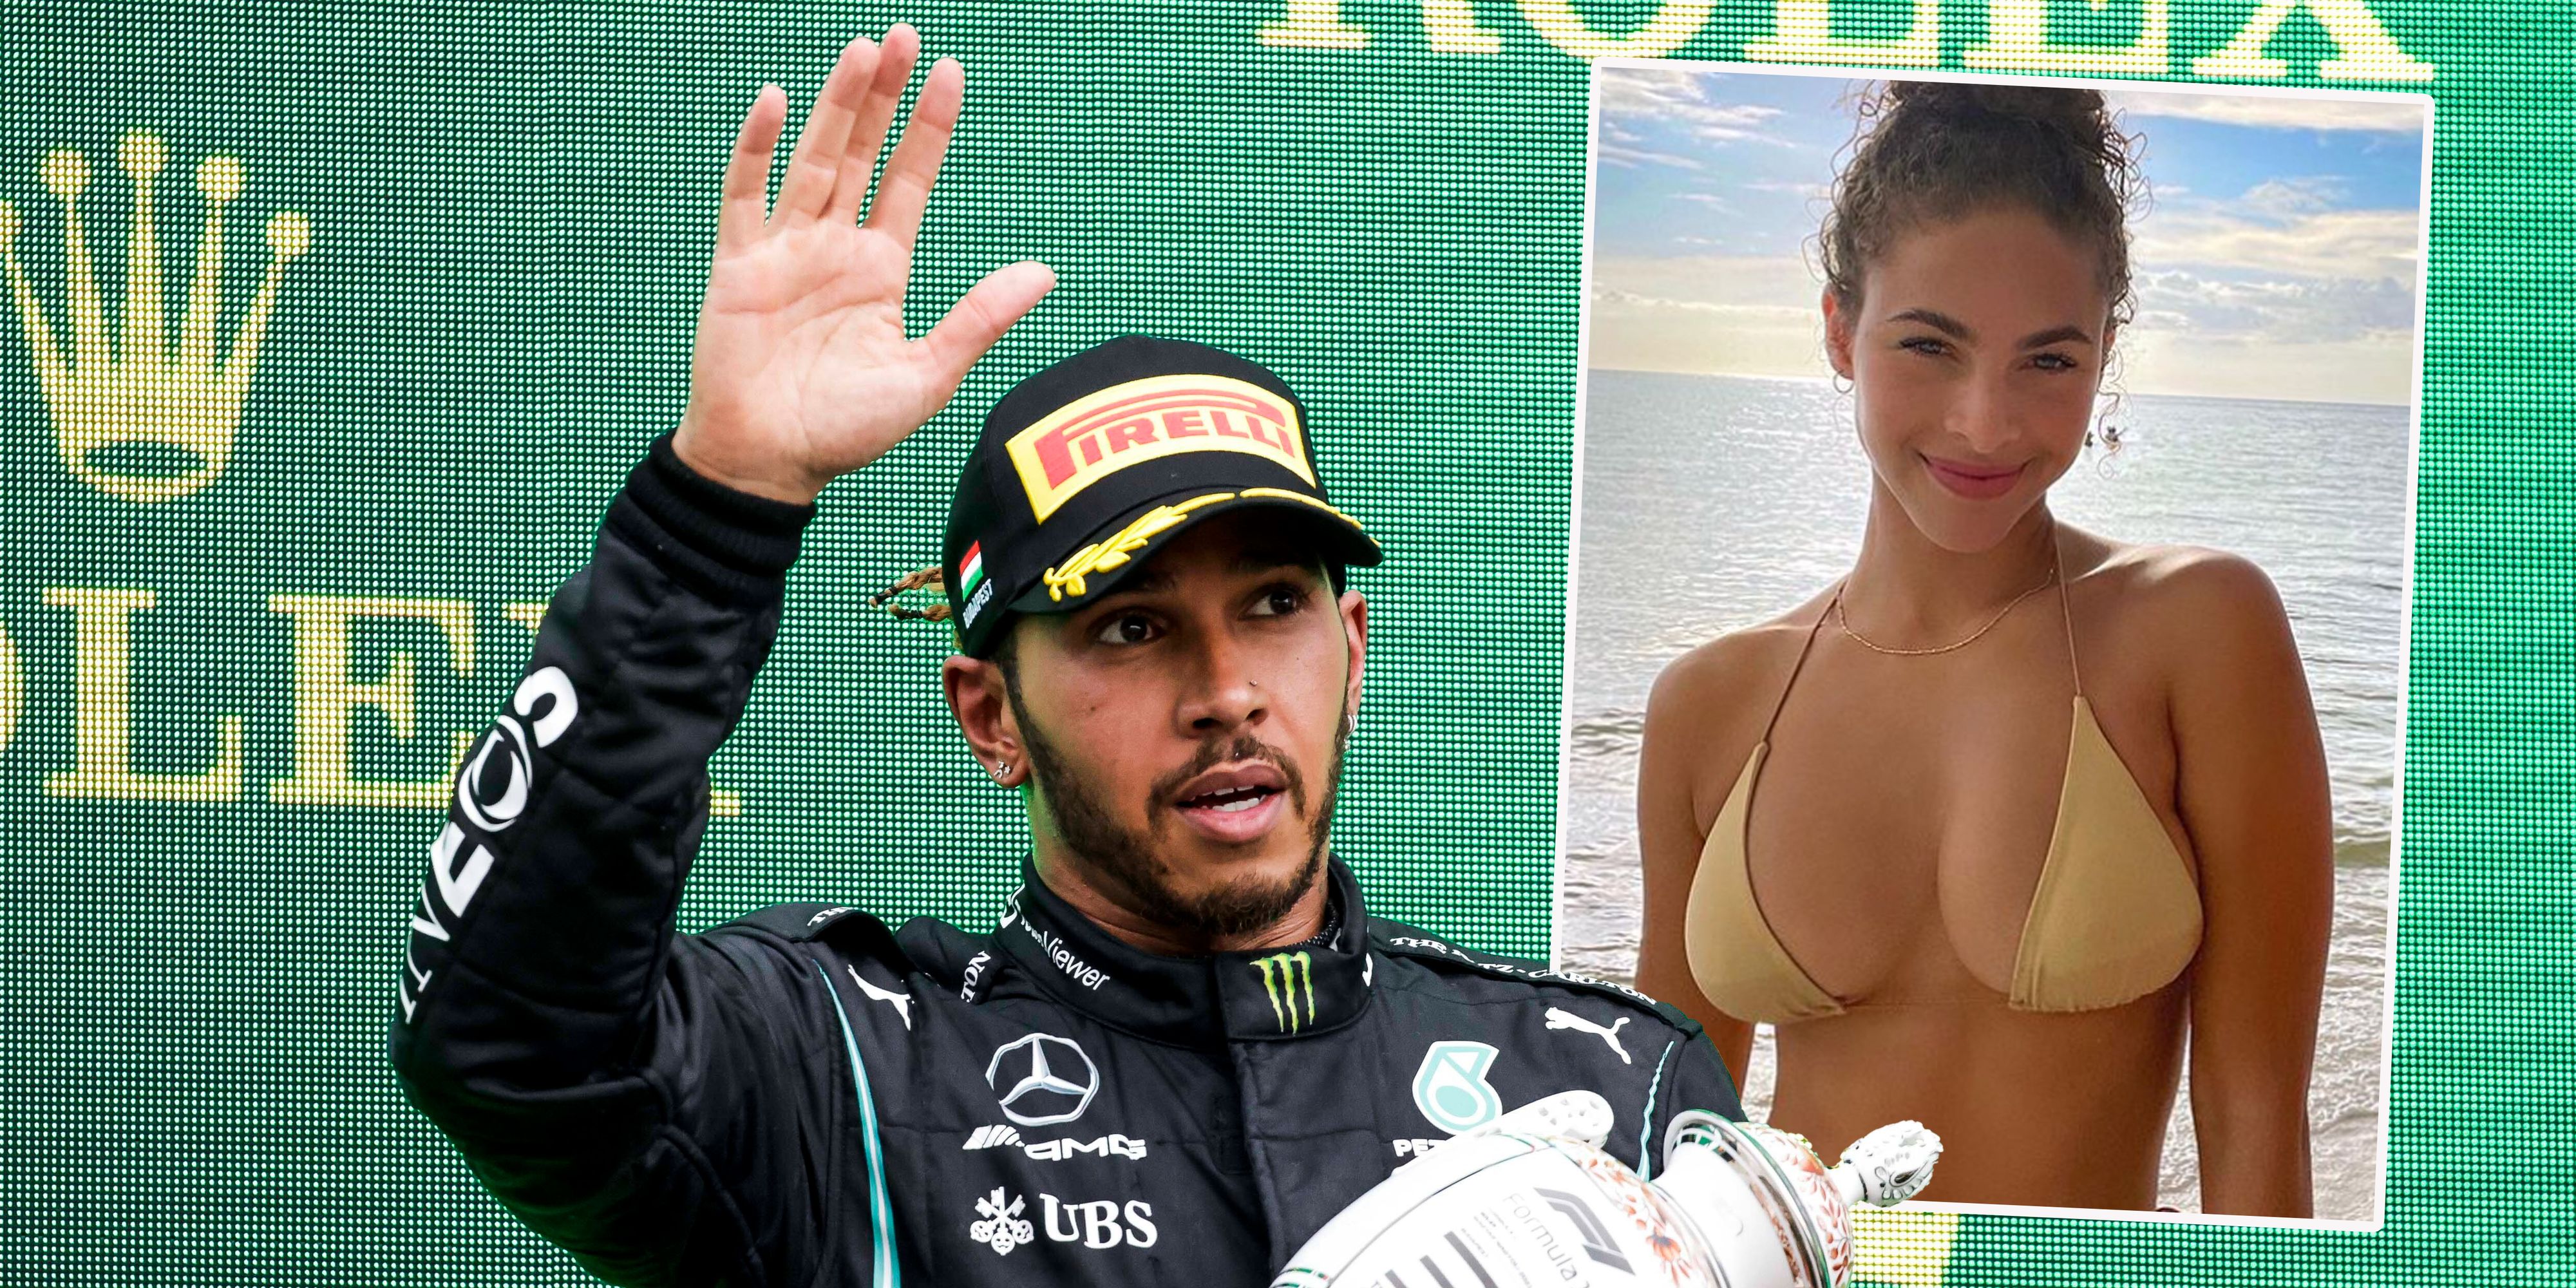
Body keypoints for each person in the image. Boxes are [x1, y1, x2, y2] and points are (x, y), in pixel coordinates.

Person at [388, 25, 1741, 1286]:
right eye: (1130, 627)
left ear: (1352, 645)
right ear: (988, 716)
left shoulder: (1613, 1087)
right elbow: (510, 1044)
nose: (1225, 692)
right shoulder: (846, 1071)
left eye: (1271, 605)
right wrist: (717, 504)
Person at [1632, 80, 2333, 1217]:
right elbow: (1668, 1152)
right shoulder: (1708, 705)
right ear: (1837, 332)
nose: (1986, 424)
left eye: (2048, 361)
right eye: (1930, 344)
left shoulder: (2198, 630)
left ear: (2105, 353)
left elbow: (2255, 1129)